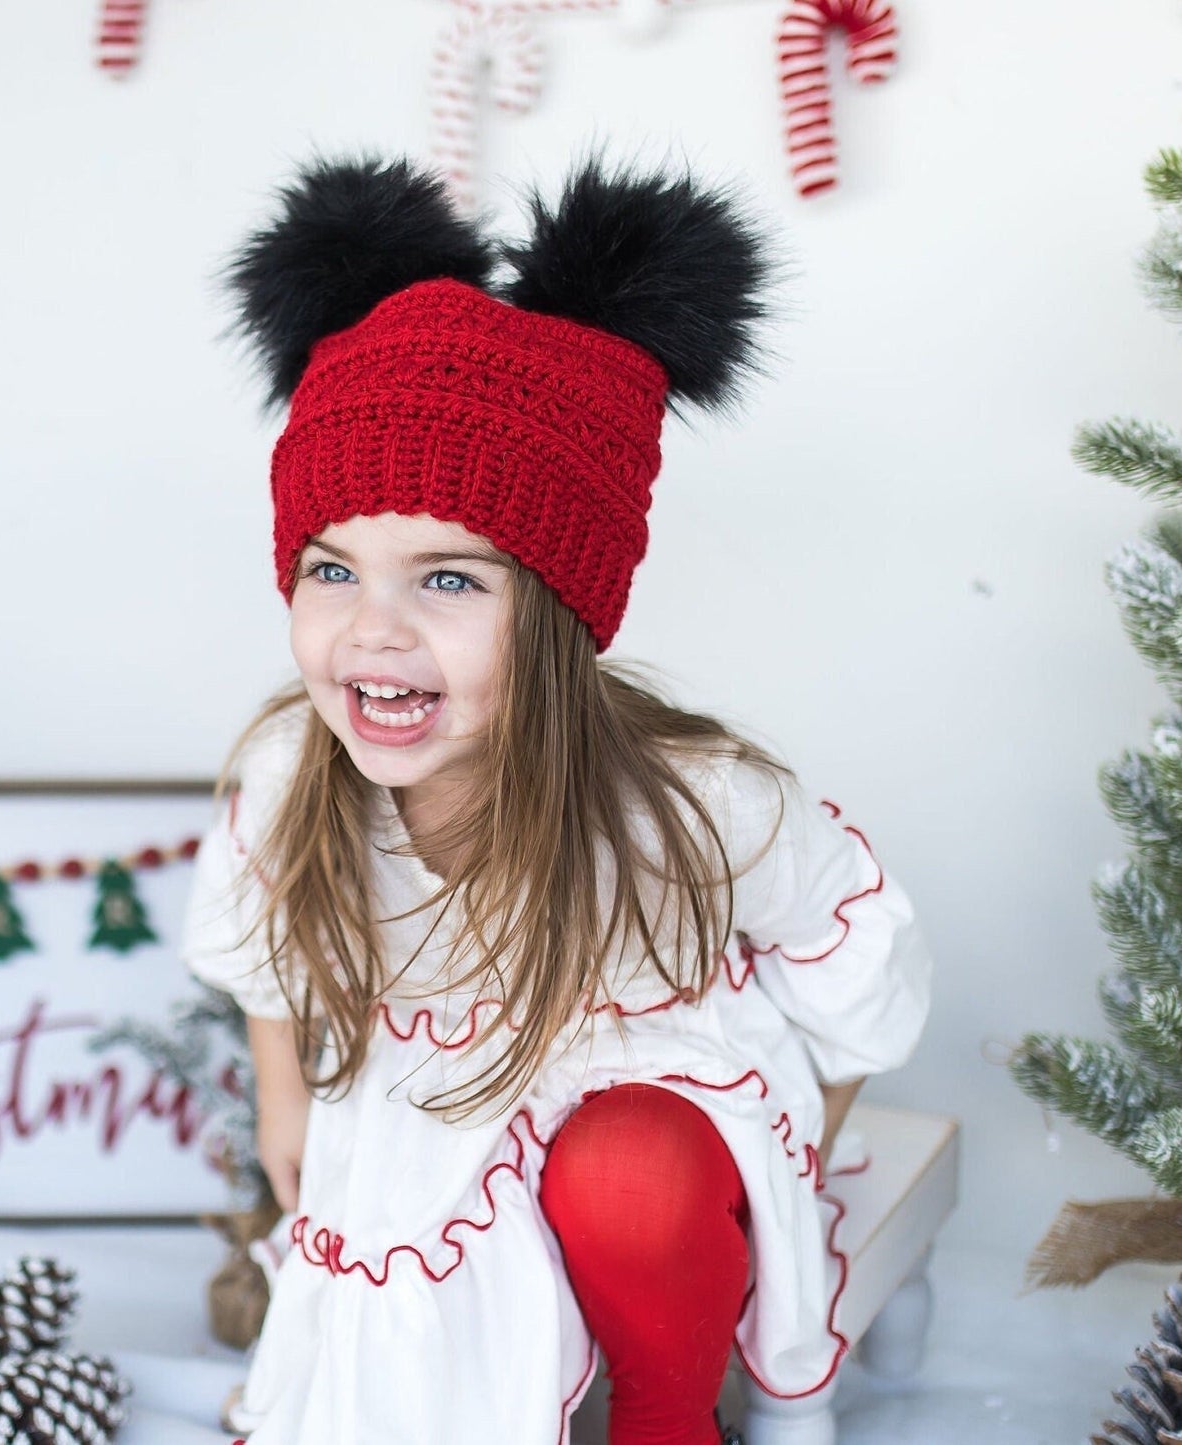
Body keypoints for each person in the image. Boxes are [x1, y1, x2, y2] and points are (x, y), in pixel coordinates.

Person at [180, 153, 931, 1445]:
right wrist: (283, 1092)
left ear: (560, 607)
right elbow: (250, 936)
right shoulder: (291, 772)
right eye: (330, 567)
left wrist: (785, 1154)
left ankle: (665, 1409)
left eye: (449, 580)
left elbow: (858, 964)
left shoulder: (687, 805)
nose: (373, 632)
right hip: (436, 1111)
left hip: (644, 1128)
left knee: (625, 1171)